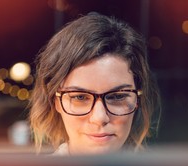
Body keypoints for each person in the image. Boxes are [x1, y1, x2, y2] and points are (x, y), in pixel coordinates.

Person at [29, 13, 160, 155]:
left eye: (117, 96)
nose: (99, 118)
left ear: (137, 100)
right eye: (80, 97)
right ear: (56, 102)